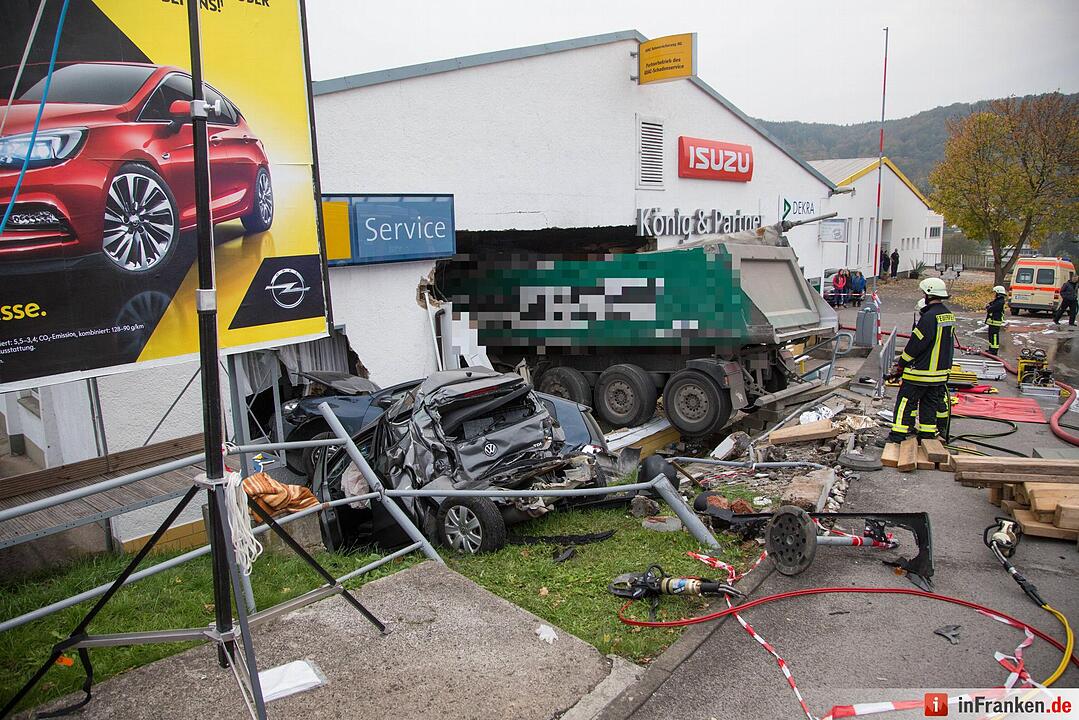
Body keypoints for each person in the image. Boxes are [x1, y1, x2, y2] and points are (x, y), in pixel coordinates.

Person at [885, 277, 955, 444]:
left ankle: (897, 436)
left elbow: (915, 346)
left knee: (905, 403)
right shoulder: (948, 316)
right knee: (929, 405)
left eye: (924, 293)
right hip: (938, 374)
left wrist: (901, 364)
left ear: (929, 294)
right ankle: (927, 436)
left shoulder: (929, 317)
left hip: (920, 373)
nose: (923, 295)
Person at [985, 285, 1006, 355]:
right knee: (991, 335)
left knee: (994, 336)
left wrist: (988, 307)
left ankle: (994, 350)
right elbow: (992, 304)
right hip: (993, 321)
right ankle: (991, 348)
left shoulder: (1000, 302)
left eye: (995, 293)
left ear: (998, 292)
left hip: (995, 321)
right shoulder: (998, 301)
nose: (994, 294)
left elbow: (991, 309)